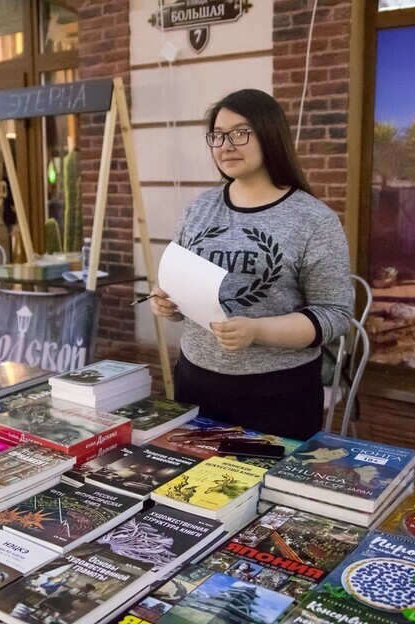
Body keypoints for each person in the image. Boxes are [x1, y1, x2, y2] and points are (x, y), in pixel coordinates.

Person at [149, 89, 352, 441]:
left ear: (270, 134)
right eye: (217, 136)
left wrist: (259, 331)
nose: (226, 145)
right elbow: (185, 290)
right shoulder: (198, 210)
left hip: (278, 397)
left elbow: (335, 314)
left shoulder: (313, 220)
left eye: (240, 133)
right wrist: (168, 303)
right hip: (195, 385)